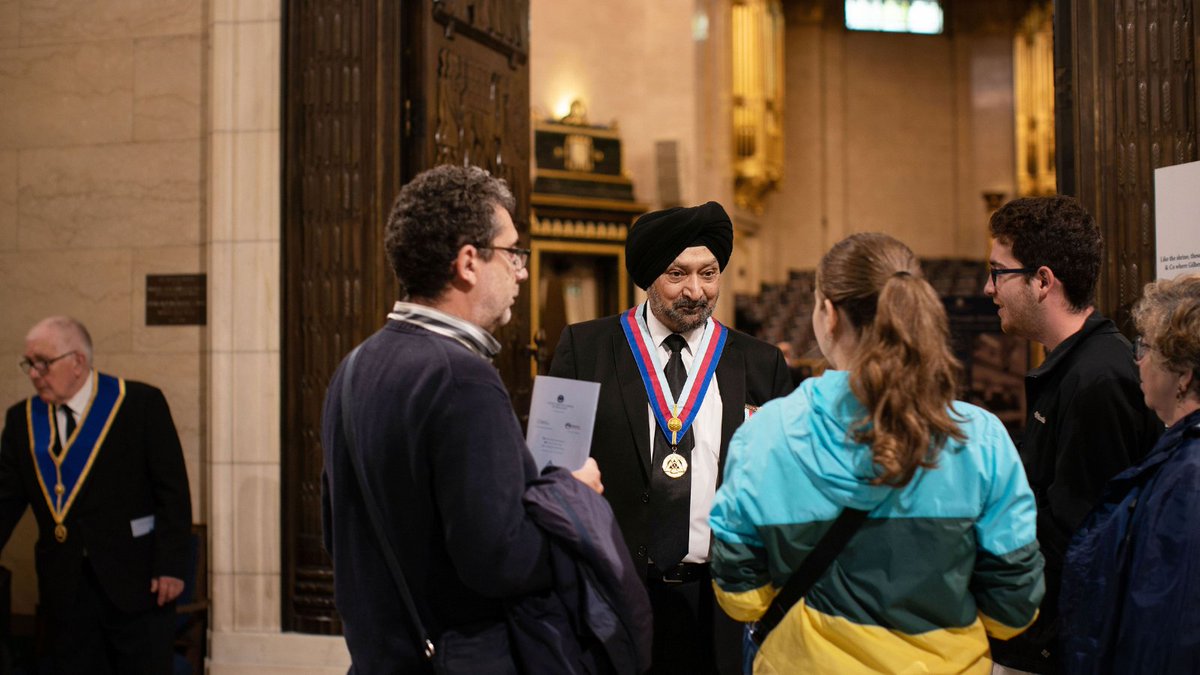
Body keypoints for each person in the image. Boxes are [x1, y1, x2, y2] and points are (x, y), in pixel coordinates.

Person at [320, 164, 648, 674]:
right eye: (513, 252)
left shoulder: (354, 366)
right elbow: (503, 561)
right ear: (469, 262)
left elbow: (337, 533)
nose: (521, 270)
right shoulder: (460, 377)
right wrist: (574, 496)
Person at [710, 232, 1045, 673]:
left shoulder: (766, 434)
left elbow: (740, 597)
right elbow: (1013, 609)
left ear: (828, 314)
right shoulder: (980, 437)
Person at [549, 201, 793, 674]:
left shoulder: (762, 364)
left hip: (723, 600)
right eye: (677, 274)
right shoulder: (583, 347)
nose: (695, 291)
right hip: (614, 595)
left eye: (708, 273)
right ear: (647, 276)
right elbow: (549, 467)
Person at [983, 196, 1160, 673]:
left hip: (1065, 649)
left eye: (999, 272)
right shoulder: (1074, 366)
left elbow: (1082, 538)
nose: (988, 287)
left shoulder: (1099, 378)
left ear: (1042, 281)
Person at [0, 316, 193, 674]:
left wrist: (171, 565)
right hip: (65, 587)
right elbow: (4, 501)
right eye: (29, 363)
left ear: (78, 362)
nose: (34, 373)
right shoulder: (21, 421)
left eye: (44, 362)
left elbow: (173, 493)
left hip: (139, 583)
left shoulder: (139, 404)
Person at [1059, 273, 1200, 672]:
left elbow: (1169, 621)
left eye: (1147, 347)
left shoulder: (1190, 474)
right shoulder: (1181, 455)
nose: (1137, 358)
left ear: (1184, 374)